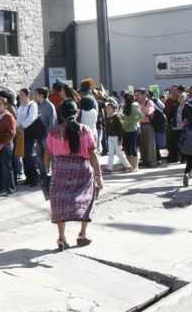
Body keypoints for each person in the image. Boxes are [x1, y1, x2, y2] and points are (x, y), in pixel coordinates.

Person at [45, 99, 103, 252]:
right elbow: (92, 153)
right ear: (77, 113)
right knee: (87, 199)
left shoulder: (53, 132)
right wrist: (98, 175)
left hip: (60, 171)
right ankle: (82, 234)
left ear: (61, 115)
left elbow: (48, 153)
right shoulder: (85, 130)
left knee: (60, 203)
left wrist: (46, 171)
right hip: (82, 170)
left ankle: (62, 238)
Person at [0, 93, 17, 195]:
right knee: (1, 167)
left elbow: (11, 133)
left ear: (5, 105)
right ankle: (3, 187)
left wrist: (2, 144)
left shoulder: (8, 116)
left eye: (0, 104)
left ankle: (10, 188)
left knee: (7, 167)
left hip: (6, 145)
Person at [16, 88, 40, 186]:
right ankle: (28, 178)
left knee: (28, 155)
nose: (20, 97)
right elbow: (17, 118)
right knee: (23, 155)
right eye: (19, 95)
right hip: (21, 133)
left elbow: (32, 117)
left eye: (22, 95)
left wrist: (22, 125)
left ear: (27, 95)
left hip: (29, 133)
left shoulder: (32, 105)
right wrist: (18, 126)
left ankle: (34, 178)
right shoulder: (20, 107)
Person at [104, 99, 132, 173]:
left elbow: (120, 129)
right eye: (107, 108)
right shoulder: (108, 117)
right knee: (111, 153)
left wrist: (120, 139)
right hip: (110, 137)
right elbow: (107, 128)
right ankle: (109, 168)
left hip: (116, 137)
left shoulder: (117, 117)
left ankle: (128, 166)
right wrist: (107, 137)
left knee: (119, 153)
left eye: (109, 108)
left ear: (113, 109)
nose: (107, 110)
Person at [120, 92, 144, 172]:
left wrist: (133, 121)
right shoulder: (124, 106)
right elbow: (124, 117)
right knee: (126, 148)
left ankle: (136, 166)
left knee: (133, 148)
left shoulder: (133, 106)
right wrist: (122, 118)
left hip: (133, 130)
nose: (124, 99)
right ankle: (130, 166)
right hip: (125, 129)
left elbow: (141, 116)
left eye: (125, 98)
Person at [135, 88, 158, 168]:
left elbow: (149, 112)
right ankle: (145, 160)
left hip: (148, 125)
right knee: (142, 144)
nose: (136, 96)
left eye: (138, 94)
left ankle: (152, 162)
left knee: (150, 144)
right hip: (140, 125)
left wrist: (139, 113)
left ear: (144, 94)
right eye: (136, 95)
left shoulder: (149, 102)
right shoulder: (137, 103)